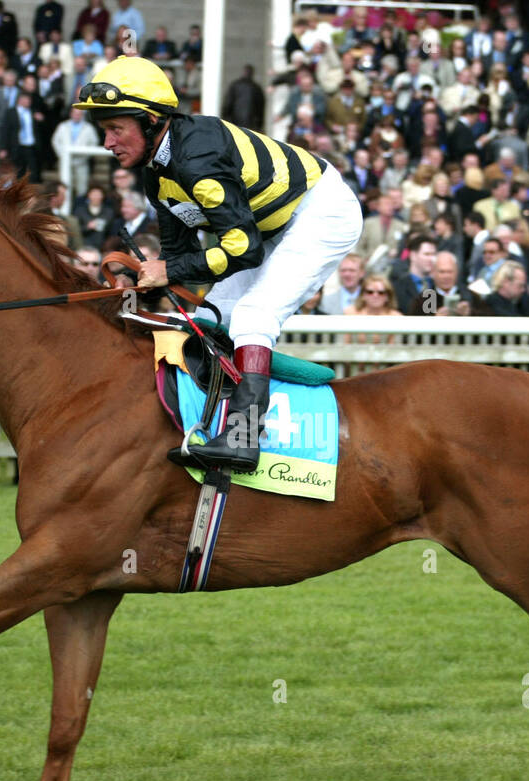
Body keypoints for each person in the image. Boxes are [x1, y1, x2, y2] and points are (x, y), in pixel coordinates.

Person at [74, 55, 363, 471]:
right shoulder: (157, 173)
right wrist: (149, 279)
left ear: (150, 120)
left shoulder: (196, 160)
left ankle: (245, 439)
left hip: (321, 211)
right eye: (105, 131)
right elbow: (179, 254)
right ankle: (212, 422)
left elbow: (243, 249)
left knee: (253, 312)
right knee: (215, 316)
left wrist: (169, 271)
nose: (108, 143)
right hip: (268, 224)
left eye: (116, 129)